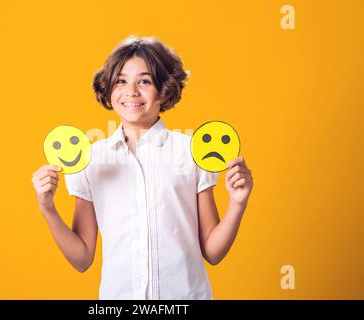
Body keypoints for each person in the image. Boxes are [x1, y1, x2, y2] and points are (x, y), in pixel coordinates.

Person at [31, 36, 253, 299]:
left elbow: (213, 252)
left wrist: (237, 203)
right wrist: (47, 207)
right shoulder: (90, 159)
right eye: (121, 81)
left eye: (144, 81)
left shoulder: (192, 153)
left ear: (164, 89)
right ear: (109, 89)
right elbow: (81, 258)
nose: (131, 91)